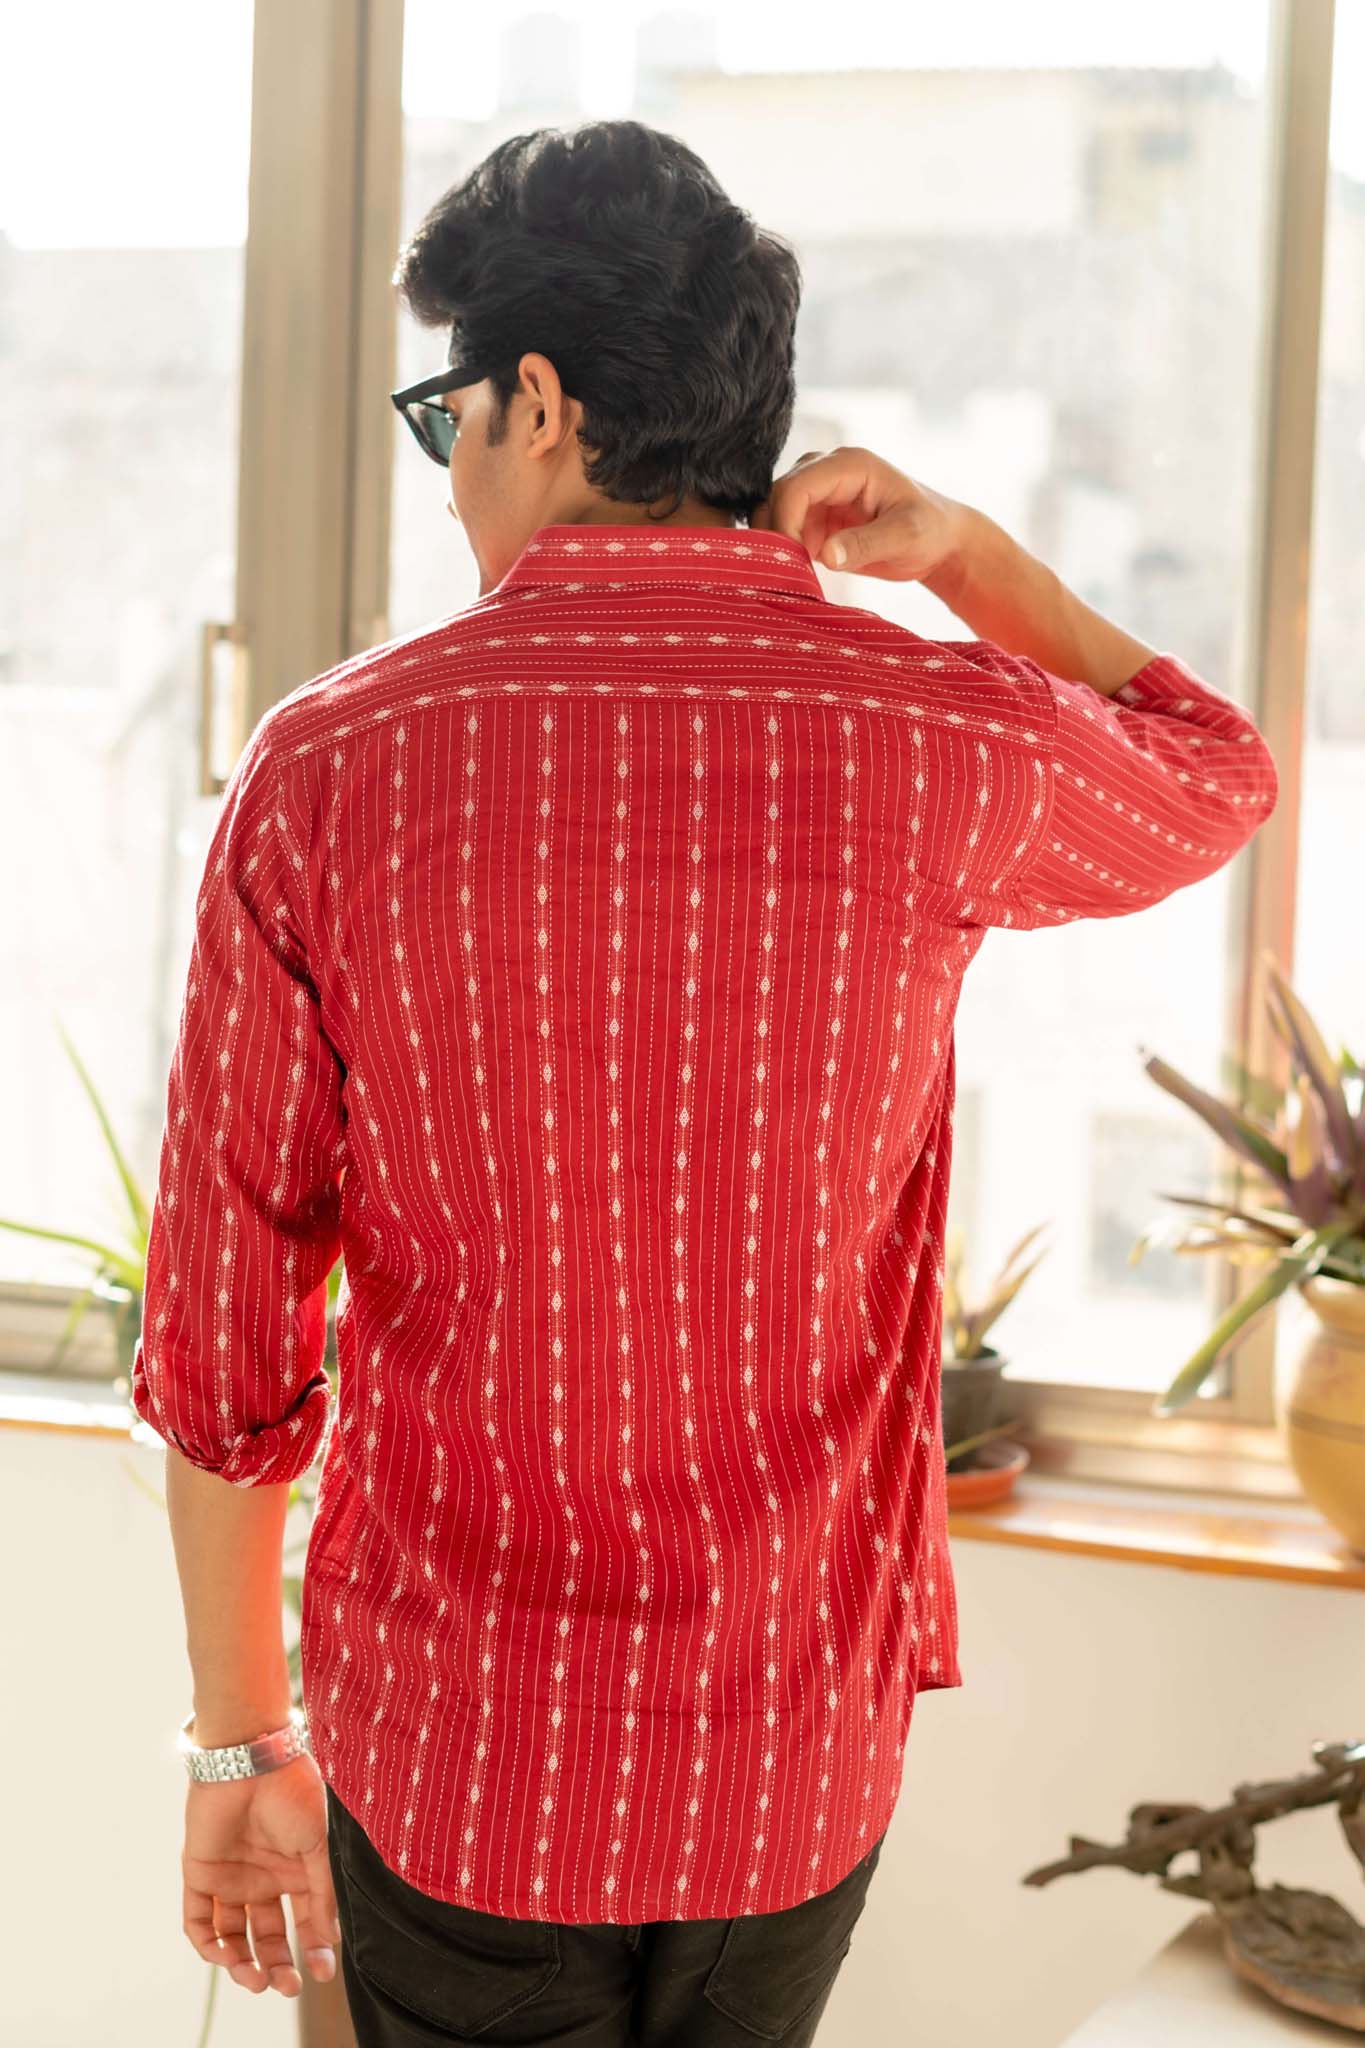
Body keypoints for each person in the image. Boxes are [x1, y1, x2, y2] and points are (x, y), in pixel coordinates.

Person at [130, 119, 1278, 2047]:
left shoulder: (333, 769)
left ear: (542, 403)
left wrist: (235, 1740)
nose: (447, 484)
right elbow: (1210, 768)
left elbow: (231, 1332)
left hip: (461, 1750)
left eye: (449, 419)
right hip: (789, 1757)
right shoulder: (929, 736)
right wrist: (970, 556)